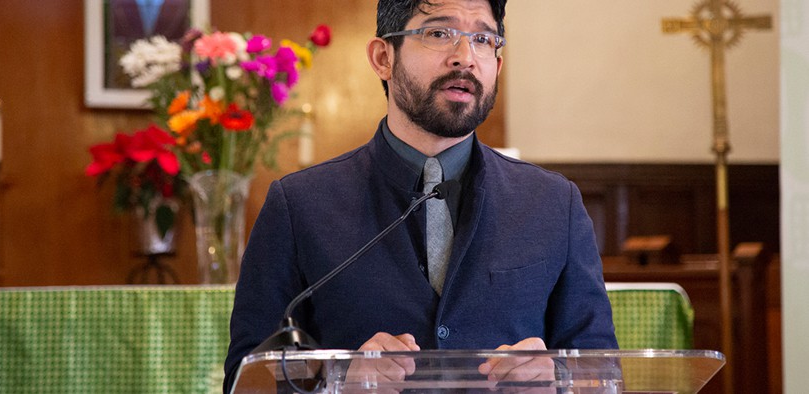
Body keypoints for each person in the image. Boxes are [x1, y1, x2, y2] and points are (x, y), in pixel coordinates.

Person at [223, 0, 618, 390]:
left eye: (483, 38)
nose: (465, 57)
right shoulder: (298, 205)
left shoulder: (553, 202)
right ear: (383, 57)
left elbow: (603, 372)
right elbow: (247, 376)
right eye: (439, 33)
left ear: (497, 64)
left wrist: (559, 378)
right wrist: (338, 380)